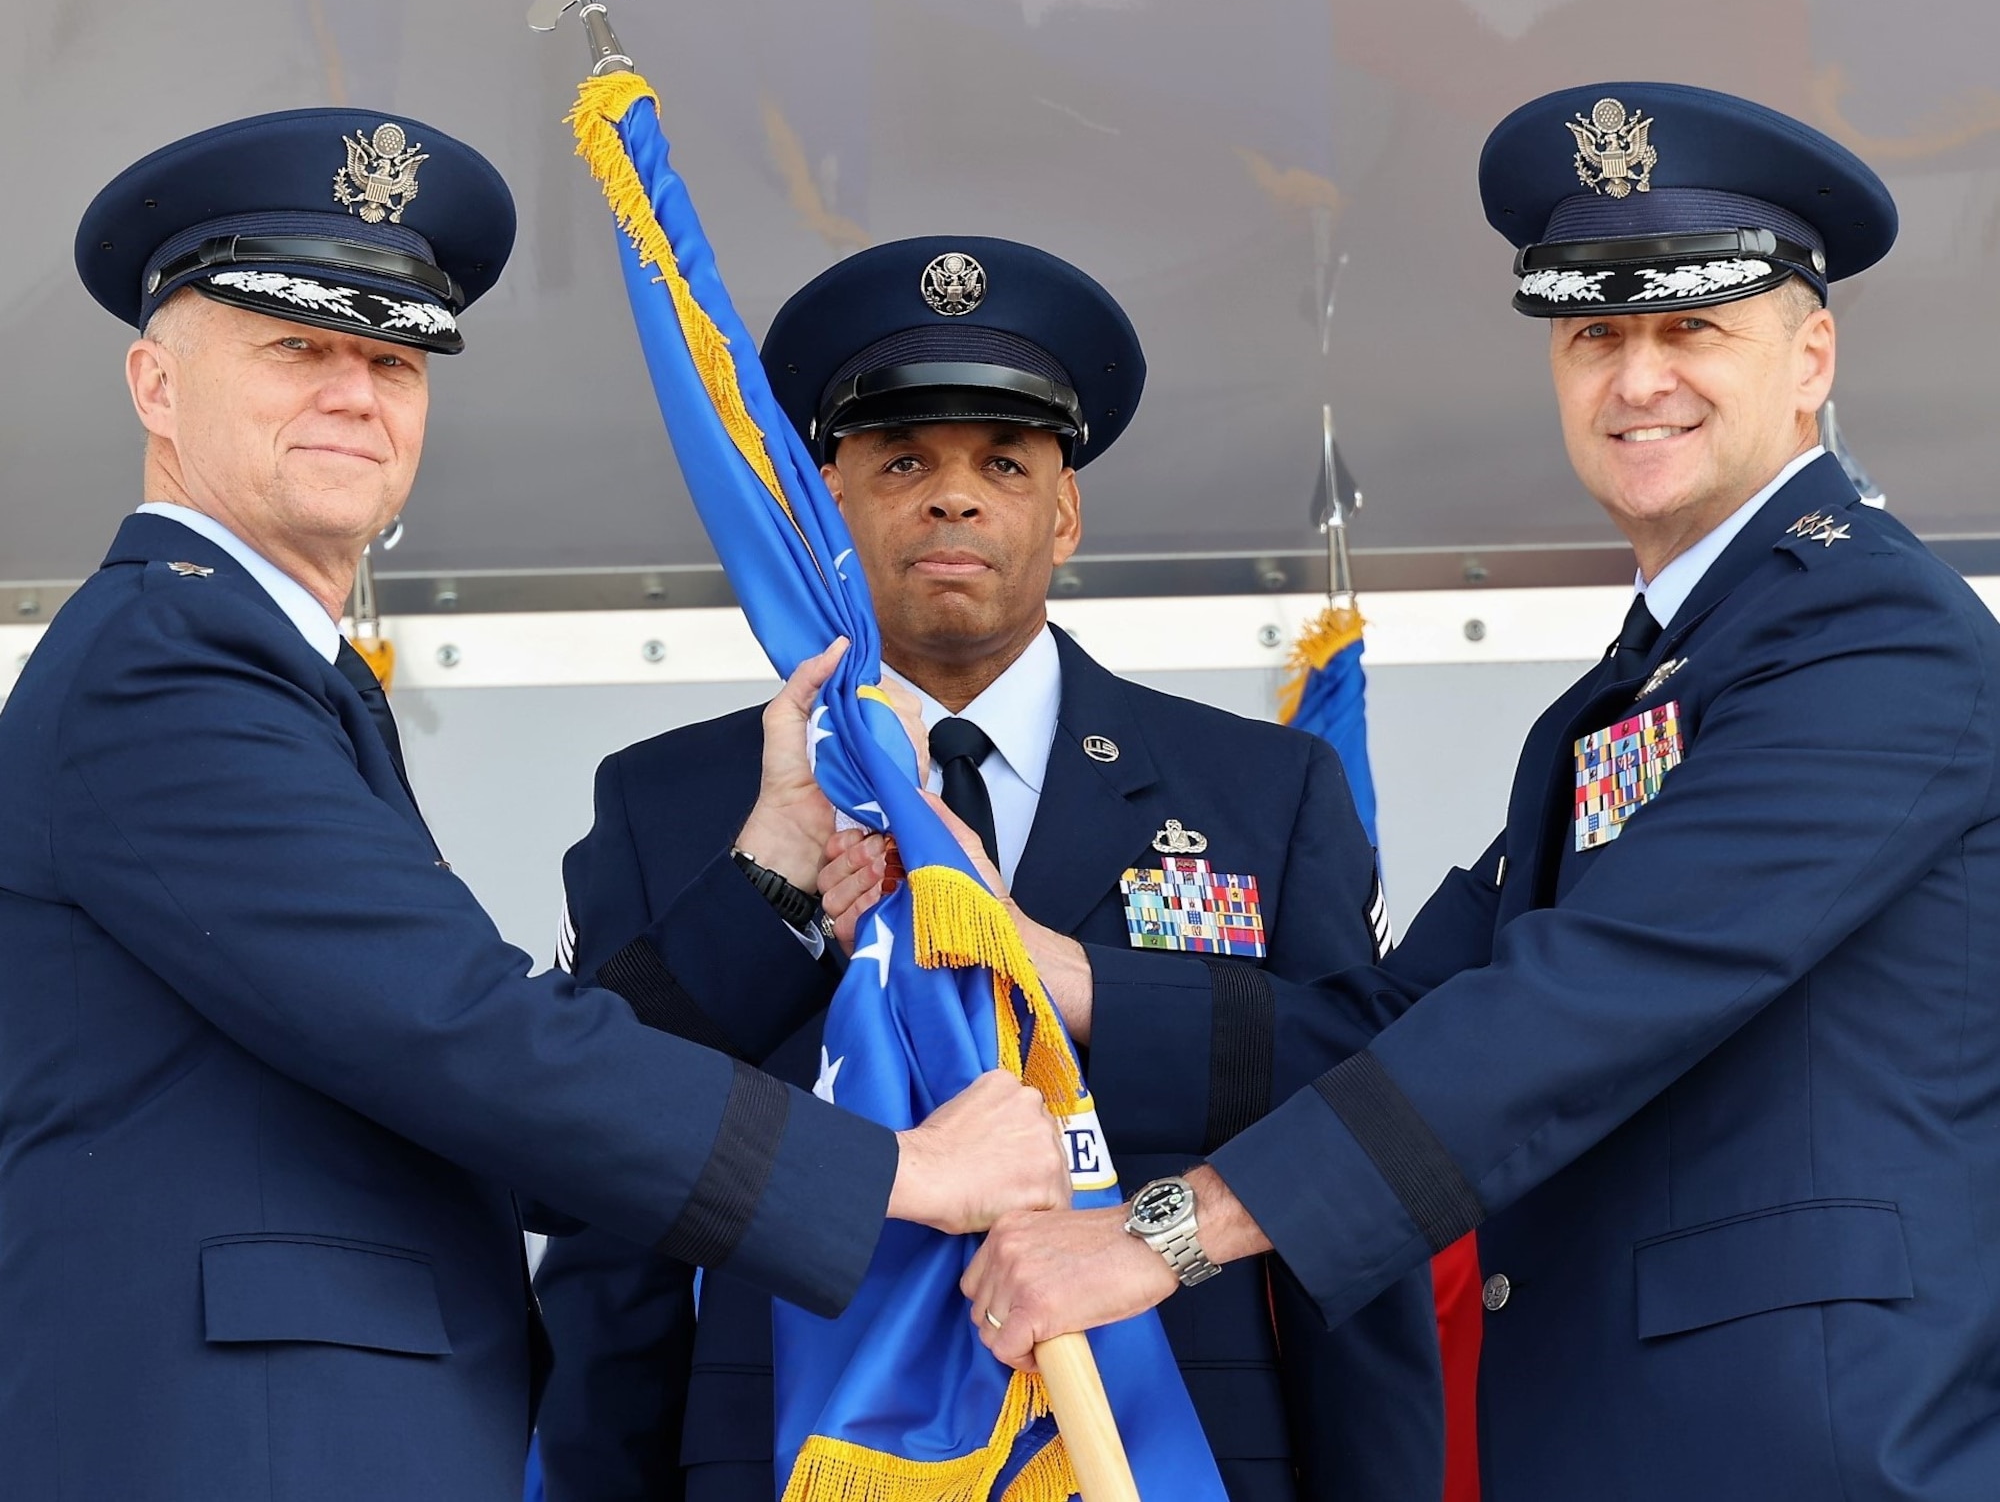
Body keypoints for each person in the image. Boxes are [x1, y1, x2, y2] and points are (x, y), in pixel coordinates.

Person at [0, 113, 1073, 1502]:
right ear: (155, 384)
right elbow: (466, 1037)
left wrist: (776, 872)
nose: (355, 393)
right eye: (295, 348)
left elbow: (482, 1113)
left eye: (392, 358)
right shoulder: (169, 667)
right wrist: (898, 1172)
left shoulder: (254, 665)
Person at [955, 81, 2000, 1501]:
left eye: (1692, 326)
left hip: (1809, 1446)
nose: (1638, 381)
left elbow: (1586, 999)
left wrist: (1168, 1232)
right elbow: (1410, 1012)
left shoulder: (1877, 637)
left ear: (1812, 355)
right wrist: (1057, 969)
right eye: (1595, 335)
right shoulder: (1646, 679)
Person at [532, 236, 1442, 1502]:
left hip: (1175, 1457)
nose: (951, 498)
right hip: (791, 1457)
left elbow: (1357, 1148)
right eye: (901, 461)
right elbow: (607, 1209)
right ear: (827, 504)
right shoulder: (677, 799)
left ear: (1062, 512)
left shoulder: (1263, 792)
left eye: (1001, 464)